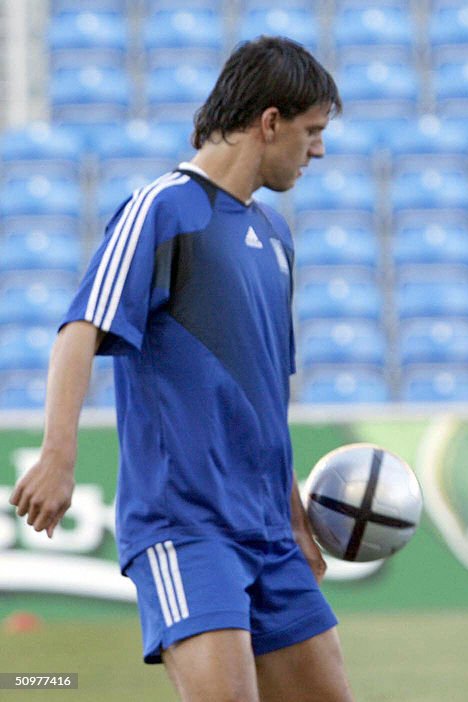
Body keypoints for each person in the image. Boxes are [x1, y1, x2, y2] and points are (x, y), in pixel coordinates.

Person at [9, 36, 356, 702]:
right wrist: (58, 456)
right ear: (270, 121)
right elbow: (78, 332)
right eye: (312, 131)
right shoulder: (162, 208)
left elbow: (264, 402)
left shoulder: (276, 238)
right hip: (187, 531)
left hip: (268, 535)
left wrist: (292, 520)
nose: (319, 150)